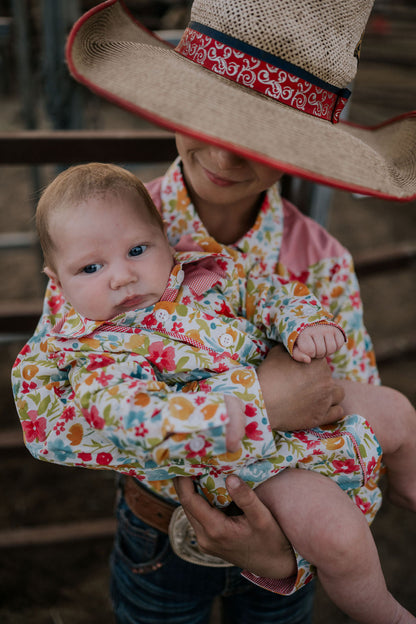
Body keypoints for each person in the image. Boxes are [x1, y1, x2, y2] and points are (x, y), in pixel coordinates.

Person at [13, 0, 416, 622]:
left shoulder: (319, 261)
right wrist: (261, 401)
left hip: (293, 532)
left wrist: (283, 558)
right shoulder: (99, 239)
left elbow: (353, 417)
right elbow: (54, 415)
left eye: (265, 138)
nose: (226, 156)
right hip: (160, 529)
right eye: (212, 118)